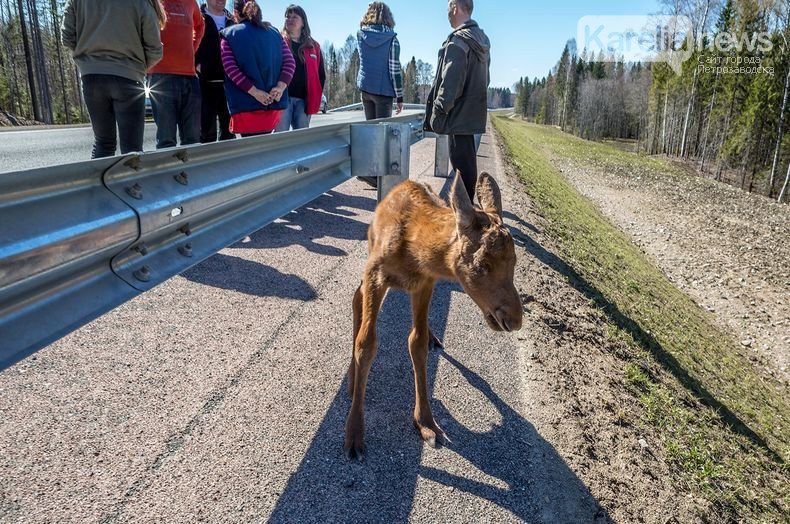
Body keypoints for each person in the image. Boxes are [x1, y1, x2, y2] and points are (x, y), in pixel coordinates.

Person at [61, 0, 165, 158]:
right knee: (132, 149)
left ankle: (98, 182)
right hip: (128, 77)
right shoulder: (141, 3)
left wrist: (88, 61)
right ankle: (130, 183)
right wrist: (137, 68)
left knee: (103, 143)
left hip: (92, 77)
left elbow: (67, 37)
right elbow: (155, 49)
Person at [424, 0, 490, 200]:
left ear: (455, 7)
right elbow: (486, 79)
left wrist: (439, 110)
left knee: (461, 172)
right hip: (471, 114)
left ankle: (465, 219)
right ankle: (468, 213)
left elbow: (450, 83)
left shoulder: (458, 41)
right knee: (467, 167)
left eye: (448, 9)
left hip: (456, 115)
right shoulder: (482, 39)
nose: (447, 14)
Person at [220, 0, 295, 137]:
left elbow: (230, 68)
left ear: (235, 13)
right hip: (273, 106)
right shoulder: (274, 33)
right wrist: (280, 88)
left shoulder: (229, 35)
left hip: (246, 108)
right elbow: (290, 62)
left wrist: (255, 92)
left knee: (251, 150)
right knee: (265, 148)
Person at [356, 2, 403, 187]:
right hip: (383, 92)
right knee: (382, 136)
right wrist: (399, 96)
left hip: (366, 88)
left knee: (371, 133)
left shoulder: (361, 35)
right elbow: (394, 70)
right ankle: (377, 178)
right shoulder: (392, 39)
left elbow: (363, 62)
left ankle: (368, 172)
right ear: (388, 17)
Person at [148, 0, 205, 149]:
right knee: (166, 139)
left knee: (192, 138)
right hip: (160, 77)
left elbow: (200, 25)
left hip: (190, 76)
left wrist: (192, 49)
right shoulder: (152, 2)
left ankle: (190, 172)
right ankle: (169, 173)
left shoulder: (191, 3)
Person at [274, 5, 326, 132]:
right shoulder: (278, 40)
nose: (290, 19)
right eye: (288, 17)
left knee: (301, 140)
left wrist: (316, 96)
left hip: (304, 101)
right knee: (280, 139)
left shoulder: (313, 46)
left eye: (294, 17)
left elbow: (321, 75)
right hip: (282, 100)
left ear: (303, 22)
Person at [196, 0, 235, 143]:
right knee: (206, 132)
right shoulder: (198, 16)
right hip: (204, 83)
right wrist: (197, 65)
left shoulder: (233, 20)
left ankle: (228, 165)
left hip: (230, 84)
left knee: (229, 132)